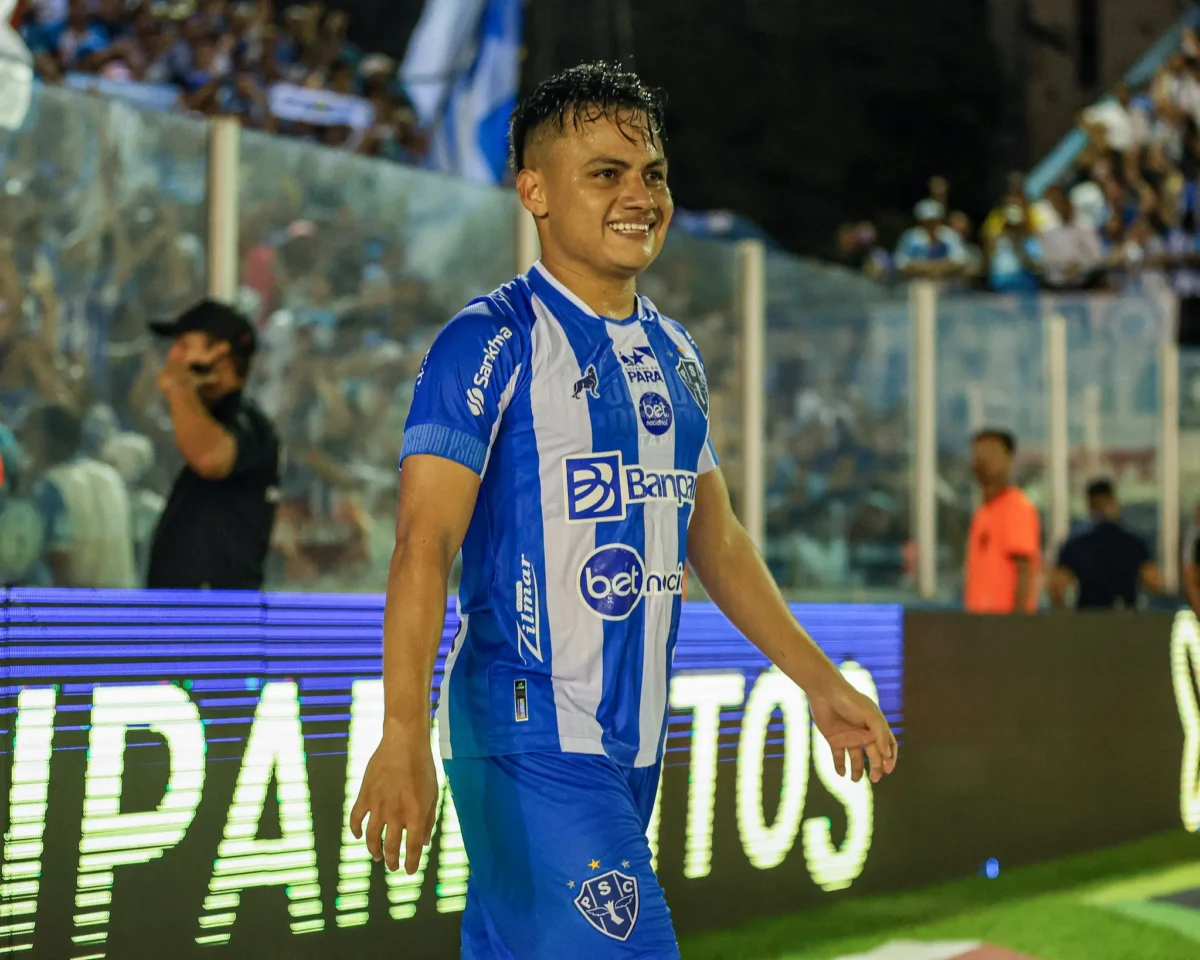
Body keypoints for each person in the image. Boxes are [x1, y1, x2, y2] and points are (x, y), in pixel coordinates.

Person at [349, 62, 898, 960]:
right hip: (529, 733)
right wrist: (401, 731)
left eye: (652, 174)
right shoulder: (488, 341)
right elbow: (423, 546)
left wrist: (820, 681)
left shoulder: (676, 352)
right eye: (605, 173)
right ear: (534, 190)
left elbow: (713, 537)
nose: (639, 195)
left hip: (630, 747)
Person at [145, 299, 280, 590]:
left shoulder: (247, 421)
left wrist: (179, 387)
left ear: (218, 352)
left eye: (183, 345)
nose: (173, 356)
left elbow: (210, 458)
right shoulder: (209, 416)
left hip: (219, 621)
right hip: (193, 619)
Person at [22, 401, 136, 588]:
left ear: (41, 440)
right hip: (125, 607)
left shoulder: (50, 485)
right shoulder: (110, 475)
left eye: (27, 435)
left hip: (79, 609)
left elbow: (58, 561)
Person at [1049, 479, 1160, 609]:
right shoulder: (1133, 543)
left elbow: (1057, 588)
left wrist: (1066, 616)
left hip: (1088, 619)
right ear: (1114, 502)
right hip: (1125, 618)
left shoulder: (1076, 545)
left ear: (1089, 504)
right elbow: (1154, 582)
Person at [964, 428, 1041, 614]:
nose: (983, 460)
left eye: (991, 453)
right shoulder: (983, 512)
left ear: (1009, 459)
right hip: (980, 626)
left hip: (1004, 628)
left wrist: (1016, 625)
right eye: (978, 453)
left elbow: (1024, 571)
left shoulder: (1016, 507)